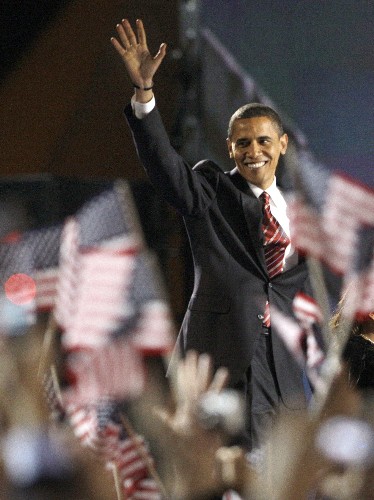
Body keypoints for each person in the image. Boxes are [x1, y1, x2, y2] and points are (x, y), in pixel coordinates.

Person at [111, 18, 313, 451]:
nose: (252, 152)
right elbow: (167, 170)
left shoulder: (304, 212)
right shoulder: (211, 189)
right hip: (221, 361)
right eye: (242, 144)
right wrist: (145, 96)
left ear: (281, 144)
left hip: (285, 372)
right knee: (217, 473)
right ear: (229, 147)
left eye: (262, 141)